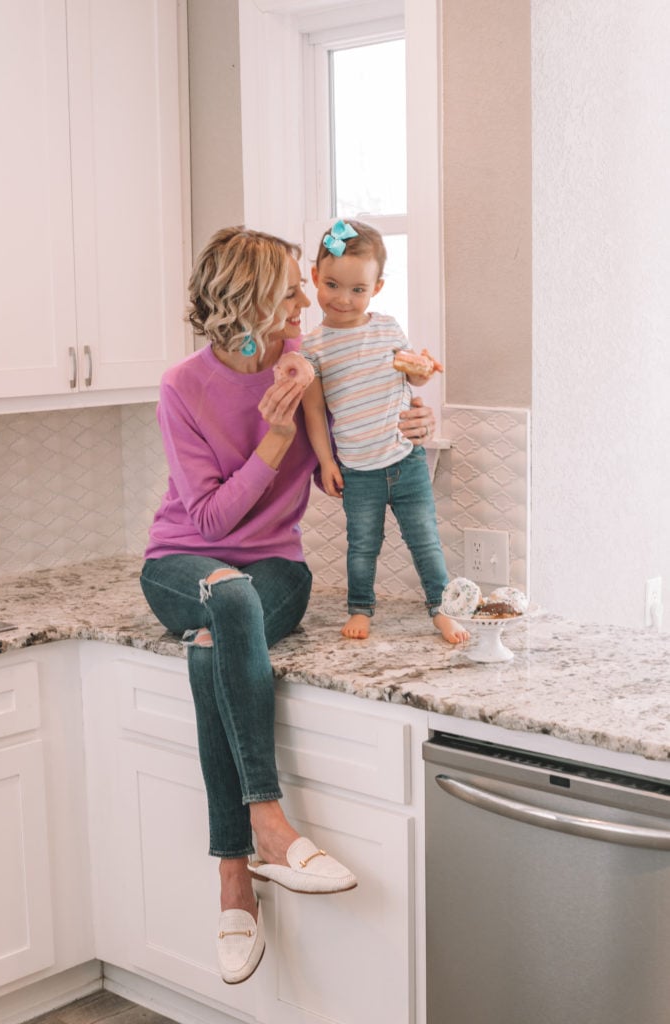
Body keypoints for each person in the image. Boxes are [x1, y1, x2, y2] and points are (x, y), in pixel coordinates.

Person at [139, 227, 436, 985]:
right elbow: (208, 524)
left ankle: (234, 879)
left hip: (277, 572)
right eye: (291, 291)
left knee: (219, 637)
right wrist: (273, 442)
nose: (308, 298)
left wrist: (416, 424)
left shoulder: (309, 364)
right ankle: (266, 829)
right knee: (223, 595)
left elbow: (364, 435)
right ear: (249, 301)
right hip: (184, 565)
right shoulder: (183, 385)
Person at [301, 219, 470, 644]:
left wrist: (425, 373)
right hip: (358, 470)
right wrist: (326, 462)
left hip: (405, 460)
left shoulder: (388, 328)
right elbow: (315, 411)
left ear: (376, 288)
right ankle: (361, 607)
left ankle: (442, 609)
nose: (344, 299)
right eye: (334, 285)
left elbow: (408, 379)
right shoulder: (313, 348)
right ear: (315, 276)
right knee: (362, 547)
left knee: (426, 540)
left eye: (358, 290)